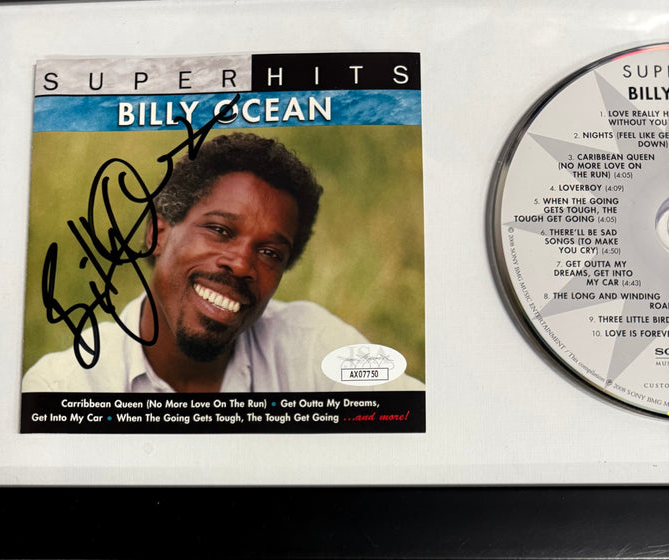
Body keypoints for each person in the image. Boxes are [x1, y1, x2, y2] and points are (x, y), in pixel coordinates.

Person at [22, 132, 423, 394]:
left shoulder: (311, 346)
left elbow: (428, 421)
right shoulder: (67, 386)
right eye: (219, 230)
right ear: (157, 234)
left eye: (270, 253)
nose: (241, 264)